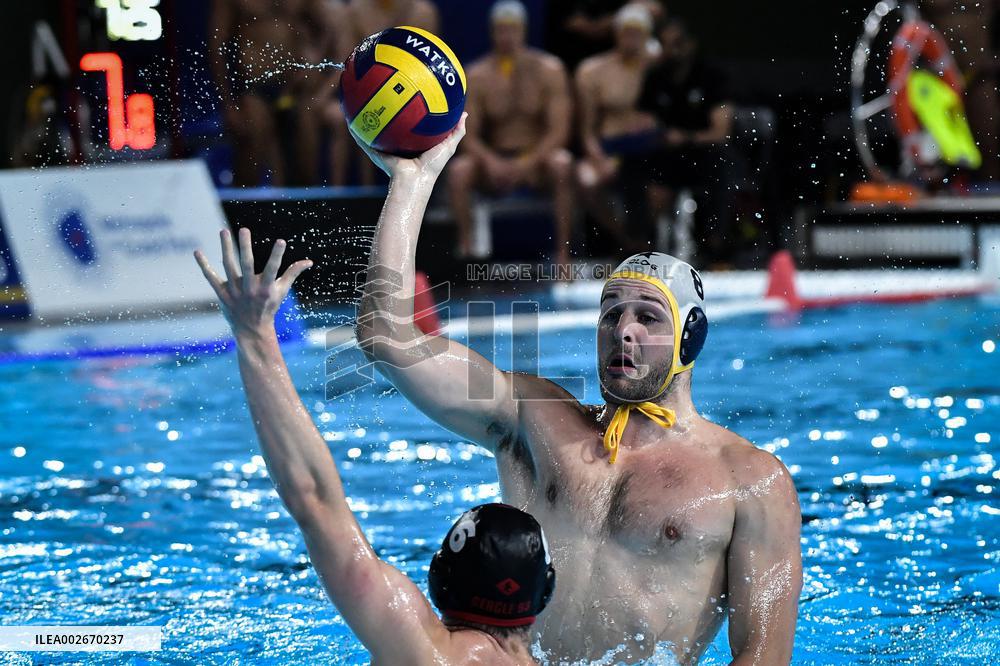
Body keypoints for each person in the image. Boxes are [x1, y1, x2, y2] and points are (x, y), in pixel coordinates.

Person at [353, 113, 802, 663]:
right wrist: (413, 181)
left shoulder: (749, 481)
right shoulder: (533, 419)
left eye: (648, 318)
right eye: (610, 314)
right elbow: (387, 335)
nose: (624, 330)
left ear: (692, 338)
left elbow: (764, 659)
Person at [192, 225, 555, 665]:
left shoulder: (419, 647)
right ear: (544, 594)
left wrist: (254, 335)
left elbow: (314, 500)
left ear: (439, 577)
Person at [448, 0, 574, 263]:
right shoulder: (477, 75)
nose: (507, 37)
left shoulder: (550, 70)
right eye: (501, 30)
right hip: (494, 162)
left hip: (537, 161)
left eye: (513, 30)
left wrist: (527, 162)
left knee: (562, 163)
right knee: (459, 171)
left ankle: (563, 253)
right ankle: (468, 253)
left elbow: (559, 131)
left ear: (524, 31)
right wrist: (491, 161)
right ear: (492, 32)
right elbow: (467, 133)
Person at [632, 18, 735, 263]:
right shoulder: (655, 77)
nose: (673, 50)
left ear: (690, 44)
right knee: (636, 168)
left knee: (721, 164)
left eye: (677, 43)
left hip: (705, 152)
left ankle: (716, 245)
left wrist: (686, 137)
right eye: (666, 45)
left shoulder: (712, 77)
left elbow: (721, 132)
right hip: (666, 153)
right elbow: (642, 119)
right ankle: (640, 244)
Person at [209, 0, 333, 186]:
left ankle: (303, 214)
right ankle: (242, 214)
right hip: (254, 88)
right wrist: (228, 105)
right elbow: (216, 46)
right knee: (249, 168)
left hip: (294, 89)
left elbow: (326, 29)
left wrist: (314, 63)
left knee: (306, 172)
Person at [575, 3, 660, 251]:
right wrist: (598, 157)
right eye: (626, 32)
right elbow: (587, 128)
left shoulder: (659, 65)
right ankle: (626, 240)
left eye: (637, 33)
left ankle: (646, 239)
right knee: (586, 180)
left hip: (649, 149)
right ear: (616, 34)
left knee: (661, 188)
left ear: (647, 36)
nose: (631, 39)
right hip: (612, 148)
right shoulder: (593, 70)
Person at [344, 0, 441, 186]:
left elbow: (432, 63)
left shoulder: (423, 12)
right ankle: (364, 194)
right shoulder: (355, 10)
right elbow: (348, 60)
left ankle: (419, 192)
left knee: (420, 113)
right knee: (363, 116)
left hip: (415, 85)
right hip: (366, 86)